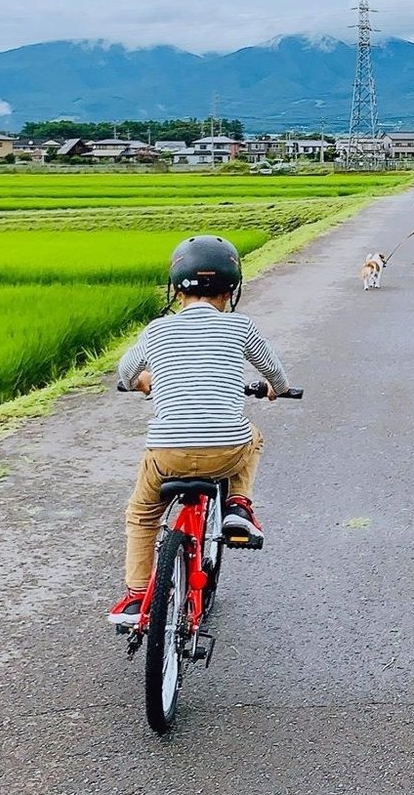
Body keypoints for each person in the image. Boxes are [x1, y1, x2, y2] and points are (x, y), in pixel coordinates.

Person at [108, 235, 289, 628]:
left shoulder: (157, 330)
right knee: (252, 435)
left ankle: (138, 597)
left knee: (141, 514)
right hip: (226, 450)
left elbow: (125, 373)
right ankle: (238, 506)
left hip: (166, 454)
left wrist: (142, 382)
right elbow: (275, 373)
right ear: (231, 289)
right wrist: (278, 389)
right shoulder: (241, 327)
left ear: (176, 288)